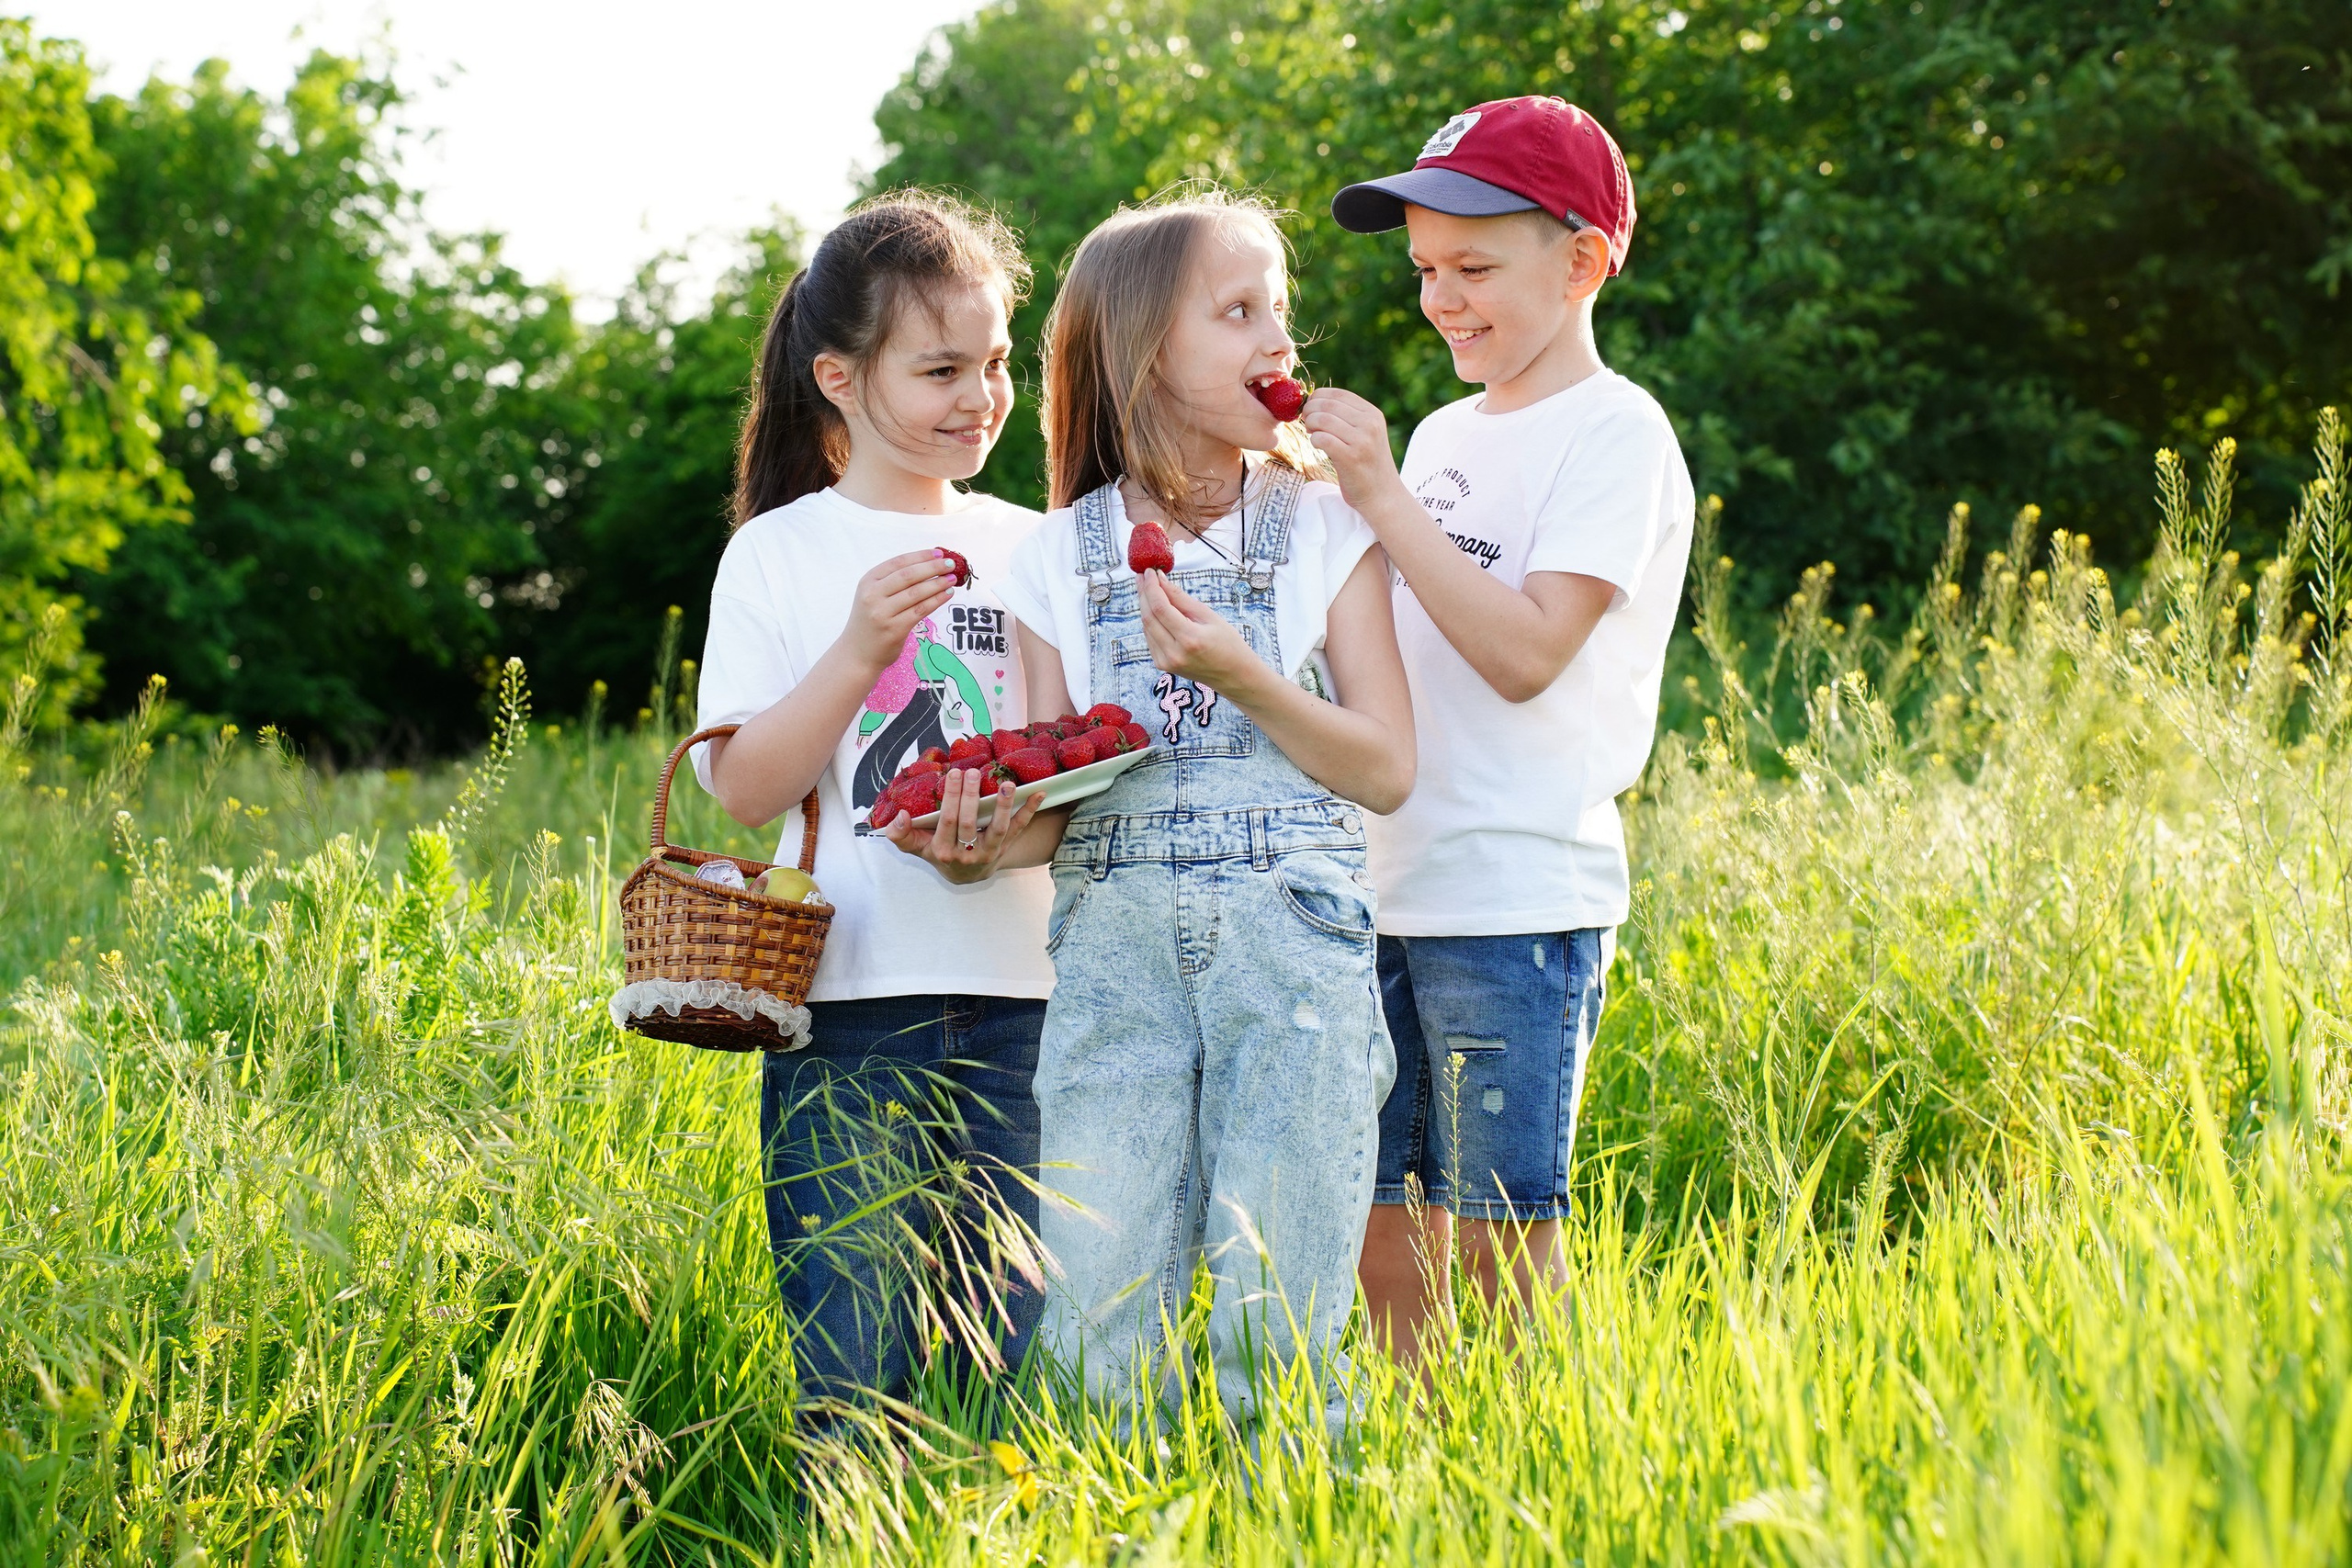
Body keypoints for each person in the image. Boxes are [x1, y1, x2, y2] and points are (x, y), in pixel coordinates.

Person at [983, 187, 1416, 1430]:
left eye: (1279, 308)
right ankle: (1110, 1507)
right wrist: (975, 840)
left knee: (1280, 1310)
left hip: (1294, 952)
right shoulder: (1053, 558)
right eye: (1238, 312)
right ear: (1143, 352)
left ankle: (1292, 1510)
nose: (1279, 338)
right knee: (1097, 1308)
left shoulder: (1327, 529)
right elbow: (1055, 797)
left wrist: (1243, 675)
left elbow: (1385, 767)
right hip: (1113, 961)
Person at [1308, 96, 1696, 1367]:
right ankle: (1408, 1457)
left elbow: (1526, 654)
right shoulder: (1441, 436)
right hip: (1388, 882)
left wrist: (1380, 496)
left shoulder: (1617, 431)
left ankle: (1520, 1449)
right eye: (1425, 270)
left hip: (1517, 899)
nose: (1441, 299)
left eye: (1472, 268)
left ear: (1581, 261)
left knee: (1498, 1235)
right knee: (1381, 1226)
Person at [691, 191, 1058, 1414]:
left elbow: (1068, 774)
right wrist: (858, 647)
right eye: (941, 369)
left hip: (1028, 1002)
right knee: (854, 1364)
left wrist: (996, 842)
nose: (981, 396)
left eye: (996, 362)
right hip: (849, 1007)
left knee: (1005, 1371)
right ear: (841, 379)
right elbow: (746, 789)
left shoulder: (1032, 544)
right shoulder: (781, 551)